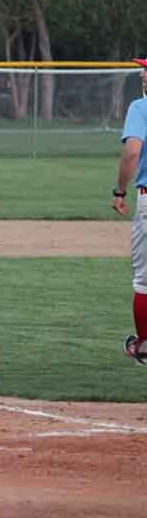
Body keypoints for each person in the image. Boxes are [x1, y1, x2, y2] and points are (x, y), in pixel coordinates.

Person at [112, 57, 147, 366]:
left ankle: (144, 345)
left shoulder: (140, 106)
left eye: (146, 69)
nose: (143, 73)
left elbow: (132, 151)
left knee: (144, 280)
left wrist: (120, 191)